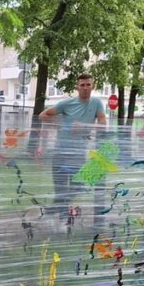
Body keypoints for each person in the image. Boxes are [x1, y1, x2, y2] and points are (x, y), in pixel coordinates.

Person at [38, 74, 106, 228]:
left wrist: (85, 126)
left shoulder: (96, 103)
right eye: (82, 85)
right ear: (77, 87)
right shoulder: (67, 103)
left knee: (77, 188)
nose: (85, 88)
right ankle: (63, 223)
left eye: (88, 85)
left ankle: (51, 211)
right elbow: (42, 115)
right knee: (60, 190)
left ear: (92, 86)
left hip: (79, 155)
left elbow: (103, 124)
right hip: (60, 153)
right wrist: (61, 124)